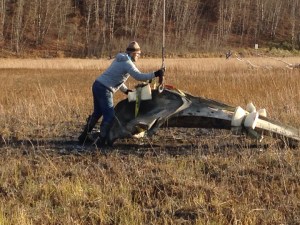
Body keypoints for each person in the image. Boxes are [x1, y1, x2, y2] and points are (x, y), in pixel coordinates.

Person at [78, 41, 165, 146]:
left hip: (98, 85)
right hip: (105, 89)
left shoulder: (120, 59)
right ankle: (103, 140)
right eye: (139, 54)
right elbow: (139, 76)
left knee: (97, 113)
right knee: (109, 116)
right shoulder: (127, 63)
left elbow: (117, 78)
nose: (139, 56)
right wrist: (156, 73)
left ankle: (83, 136)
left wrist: (126, 91)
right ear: (134, 53)